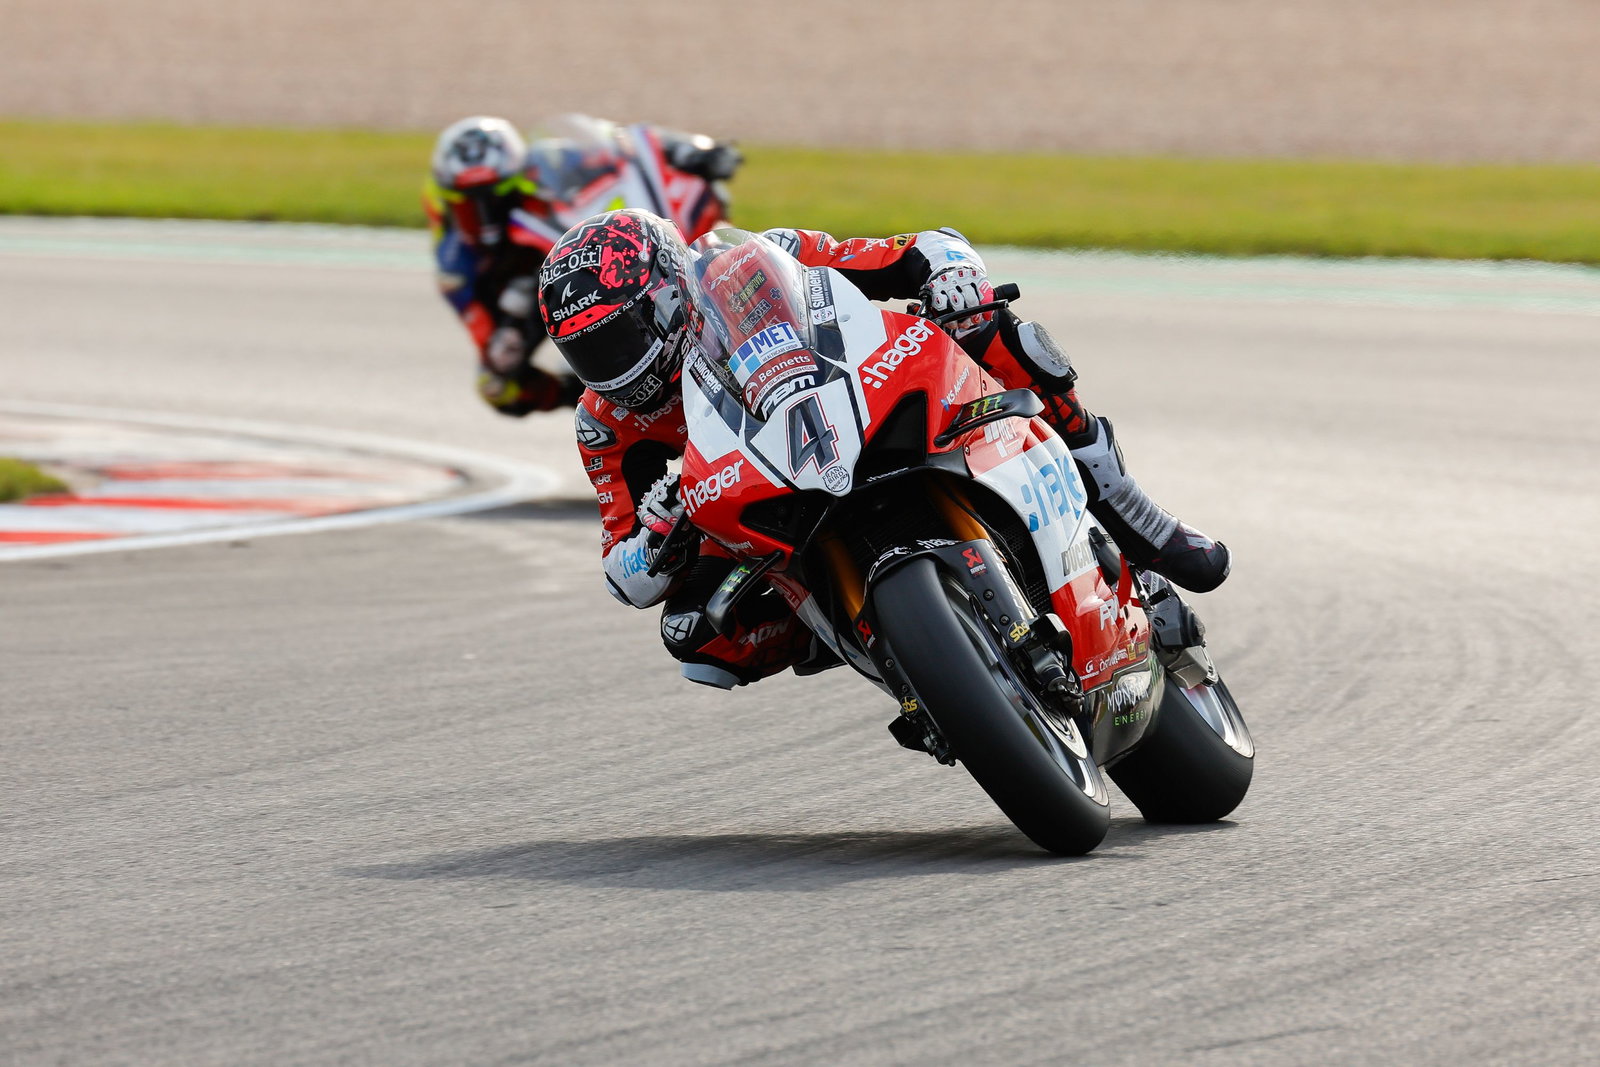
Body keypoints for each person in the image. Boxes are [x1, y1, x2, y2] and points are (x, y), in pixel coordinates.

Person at [538, 209, 1230, 689]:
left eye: (619, 338)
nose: (610, 367)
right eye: (585, 352)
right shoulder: (605, 423)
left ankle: (1122, 502)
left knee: (992, 327)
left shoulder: (749, 262)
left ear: (666, 293)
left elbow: (916, 249)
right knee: (694, 633)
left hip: (855, 403)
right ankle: (865, 637)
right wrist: (660, 525)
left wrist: (948, 275)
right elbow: (621, 568)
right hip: (754, 498)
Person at [424, 115, 743, 417]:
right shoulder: (456, 265)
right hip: (537, 300)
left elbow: (625, 141)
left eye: (496, 199)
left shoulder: (545, 164)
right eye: (471, 204)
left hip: (581, 261)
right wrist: (504, 345)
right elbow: (485, 337)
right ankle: (586, 396)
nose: (485, 215)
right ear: (446, 201)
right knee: (496, 387)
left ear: (517, 180)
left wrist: (689, 149)